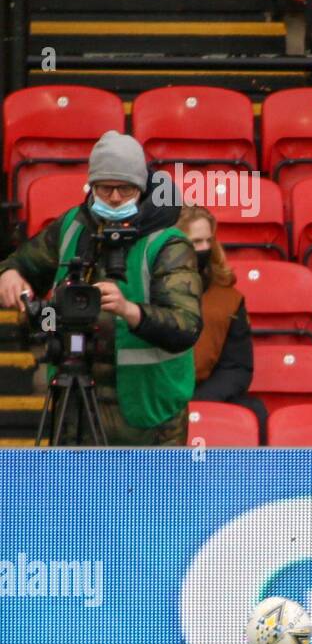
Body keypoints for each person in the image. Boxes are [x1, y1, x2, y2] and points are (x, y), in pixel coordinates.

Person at [0, 130, 201, 445]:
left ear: (143, 187)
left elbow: (186, 327)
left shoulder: (168, 243)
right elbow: (22, 261)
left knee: (148, 495)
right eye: (105, 188)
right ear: (91, 186)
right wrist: (10, 273)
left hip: (149, 411)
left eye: (125, 188)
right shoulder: (72, 227)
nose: (116, 197)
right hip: (75, 396)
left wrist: (129, 311)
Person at [177, 204, 267, 435]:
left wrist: (201, 401)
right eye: (196, 242)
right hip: (160, 396)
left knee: (254, 412)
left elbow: (237, 367)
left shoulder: (228, 299)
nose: (205, 248)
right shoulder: (148, 292)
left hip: (207, 392)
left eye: (209, 241)